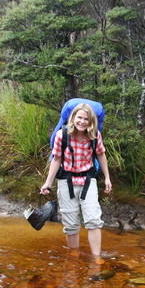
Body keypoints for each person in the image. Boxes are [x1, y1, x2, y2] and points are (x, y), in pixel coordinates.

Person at [40, 103, 112, 262]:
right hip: (67, 181)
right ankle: (73, 258)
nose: (82, 121)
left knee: (93, 220)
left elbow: (101, 155)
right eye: (79, 117)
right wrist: (48, 183)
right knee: (71, 224)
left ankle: (96, 258)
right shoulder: (62, 135)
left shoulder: (94, 135)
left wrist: (107, 178)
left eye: (86, 119)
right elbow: (56, 159)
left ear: (91, 120)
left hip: (88, 180)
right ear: (73, 118)